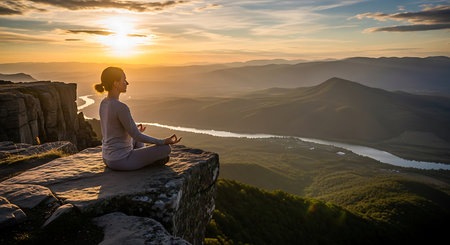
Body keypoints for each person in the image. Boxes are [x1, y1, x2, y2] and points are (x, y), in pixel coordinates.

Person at [94, 66, 181, 170]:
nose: (127, 83)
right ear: (115, 83)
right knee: (166, 149)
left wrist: (131, 130)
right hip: (121, 160)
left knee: (138, 142)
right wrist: (163, 141)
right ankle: (146, 160)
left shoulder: (104, 103)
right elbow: (137, 136)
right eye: (124, 80)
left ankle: (143, 158)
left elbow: (112, 129)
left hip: (107, 157)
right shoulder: (121, 107)